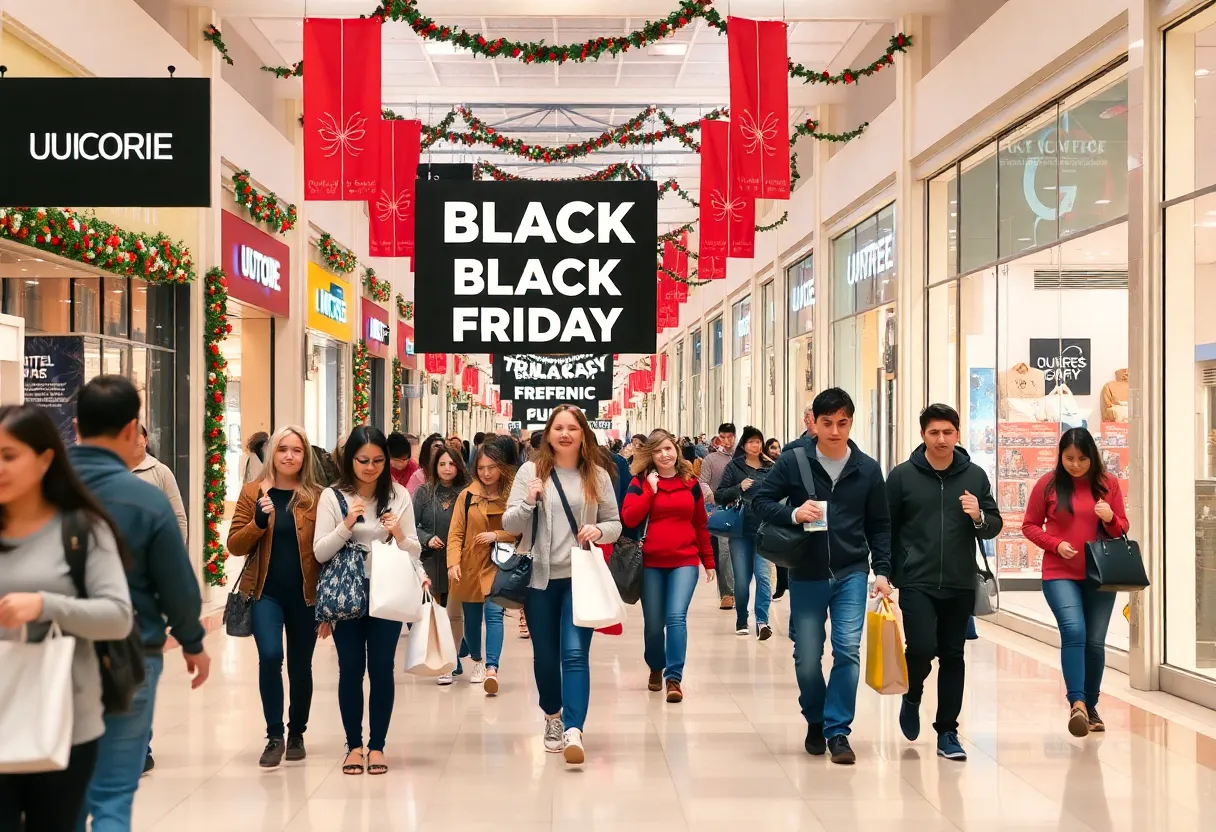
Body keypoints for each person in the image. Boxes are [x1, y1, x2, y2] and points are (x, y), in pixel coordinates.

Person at [69, 377, 209, 830]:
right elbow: (178, 585)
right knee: (112, 793)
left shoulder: (41, 491)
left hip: (50, 654)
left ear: (75, 426)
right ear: (133, 431)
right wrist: (191, 640)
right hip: (131, 654)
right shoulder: (146, 500)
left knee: (59, 792)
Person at [0, 405, 133, 832]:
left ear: (45, 459)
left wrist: (45, 605)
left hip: (63, 722)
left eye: (8, 455)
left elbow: (117, 618)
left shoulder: (81, 530)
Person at [751, 388, 892, 765]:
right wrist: (794, 514)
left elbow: (880, 525)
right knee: (807, 657)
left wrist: (883, 571)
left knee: (847, 650)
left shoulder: (867, 469)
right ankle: (815, 717)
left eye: (842, 423)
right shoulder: (794, 461)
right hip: (807, 572)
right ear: (814, 422)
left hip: (851, 572)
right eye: (826, 422)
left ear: (851, 422)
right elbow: (760, 501)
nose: (834, 431)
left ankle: (838, 730)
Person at [504, 405, 622, 765]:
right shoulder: (530, 471)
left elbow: (615, 522)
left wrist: (599, 530)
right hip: (539, 579)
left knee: (573, 653)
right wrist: (528, 501)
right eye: (559, 427)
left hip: (580, 577)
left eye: (573, 427)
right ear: (549, 433)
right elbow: (511, 522)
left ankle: (574, 728)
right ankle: (552, 716)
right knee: (545, 656)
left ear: (583, 434)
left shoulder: (596, 475)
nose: (565, 433)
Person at [886, 404, 1002, 761]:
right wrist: (886, 572)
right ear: (922, 434)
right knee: (920, 647)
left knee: (953, 654)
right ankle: (913, 693)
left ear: (957, 434)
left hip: (959, 581)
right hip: (917, 580)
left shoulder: (975, 477)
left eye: (947, 432)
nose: (941, 439)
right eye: (934, 432)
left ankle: (947, 731)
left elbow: (994, 524)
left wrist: (979, 515)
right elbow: (887, 527)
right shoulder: (903, 476)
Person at [313, 426, 427, 776]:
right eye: (363, 460)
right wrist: (346, 525)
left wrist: (400, 536)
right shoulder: (333, 497)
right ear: (350, 460)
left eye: (378, 460)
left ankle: (377, 745)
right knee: (350, 669)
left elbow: (413, 547)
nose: (371, 467)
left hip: (388, 589)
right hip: (347, 592)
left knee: (381, 668)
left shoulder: (397, 496)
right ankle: (353, 745)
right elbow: (320, 552)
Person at [226, 425, 323, 767]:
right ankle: (274, 736)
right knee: (269, 657)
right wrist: (258, 522)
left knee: (300, 666)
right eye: (282, 449)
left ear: (304, 456)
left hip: (305, 596)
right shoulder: (253, 491)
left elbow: (327, 550)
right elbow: (234, 545)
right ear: (272, 453)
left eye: (296, 450)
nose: (288, 456)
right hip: (264, 592)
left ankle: (297, 732)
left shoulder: (317, 496)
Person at [1022, 427, 1128, 738]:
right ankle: (1077, 703)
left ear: (1092, 456)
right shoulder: (1049, 484)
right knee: (1074, 631)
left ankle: (1091, 707)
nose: (1076, 465)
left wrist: (1109, 517)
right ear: (1060, 457)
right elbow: (1029, 525)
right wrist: (1055, 544)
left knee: (1095, 642)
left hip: (1099, 574)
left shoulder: (1108, 484)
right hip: (1059, 572)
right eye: (1069, 459)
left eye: (1082, 459)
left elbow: (1121, 528)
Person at [621, 429, 715, 703]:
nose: (664, 455)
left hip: (684, 561)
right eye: (658, 450)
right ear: (650, 454)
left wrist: (708, 561)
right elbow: (629, 517)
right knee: (653, 624)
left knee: (676, 618)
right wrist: (650, 492)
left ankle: (674, 677)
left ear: (676, 451)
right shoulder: (640, 482)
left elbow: (700, 523)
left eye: (668, 449)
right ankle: (655, 664)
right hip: (651, 562)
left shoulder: (691, 482)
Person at [448, 443, 517, 695]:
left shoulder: (513, 495)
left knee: (495, 613)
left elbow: (521, 530)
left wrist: (496, 535)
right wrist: (453, 562)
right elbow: (455, 532)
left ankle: (491, 668)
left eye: (492, 467)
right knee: (472, 619)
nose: (487, 473)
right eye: (481, 468)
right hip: (470, 564)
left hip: (500, 564)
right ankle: (476, 658)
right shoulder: (467, 495)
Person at [414, 445, 471, 685]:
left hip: (459, 562)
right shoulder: (423, 493)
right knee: (435, 616)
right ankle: (443, 661)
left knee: (454, 615)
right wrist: (427, 538)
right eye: (442, 464)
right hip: (431, 561)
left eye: (451, 463)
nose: (447, 469)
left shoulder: (468, 492)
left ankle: (453, 658)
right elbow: (412, 526)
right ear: (434, 467)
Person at [715, 426, 776, 640]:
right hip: (740, 531)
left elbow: (780, 493)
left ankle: (762, 621)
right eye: (751, 442)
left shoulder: (770, 467)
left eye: (758, 441)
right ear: (744, 445)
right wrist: (739, 487)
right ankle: (742, 618)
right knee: (742, 579)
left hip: (764, 530)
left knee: (763, 577)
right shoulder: (735, 467)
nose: (756, 445)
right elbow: (720, 495)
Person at [699, 423, 737, 611]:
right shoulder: (711, 460)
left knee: (741, 552)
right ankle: (727, 593)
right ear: (718, 438)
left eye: (730, 436)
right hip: (720, 510)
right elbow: (703, 483)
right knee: (723, 553)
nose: (727, 440)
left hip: (743, 510)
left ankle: (739, 589)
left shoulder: (744, 457)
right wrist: (713, 498)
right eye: (723, 436)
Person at [132, 426, 187, 543]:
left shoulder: (161, 472)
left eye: (137, 436)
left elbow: (178, 517)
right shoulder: (115, 471)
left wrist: (176, 552)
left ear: (145, 440)